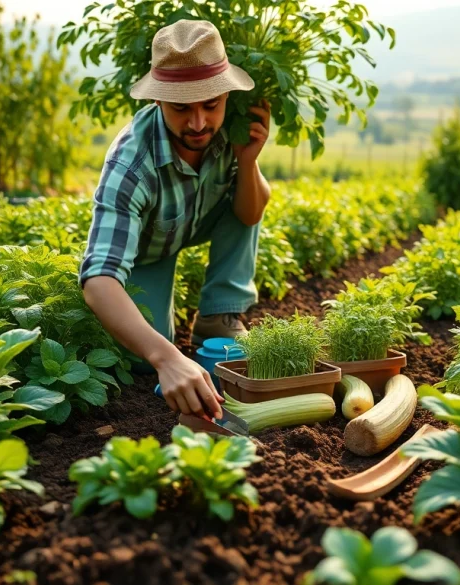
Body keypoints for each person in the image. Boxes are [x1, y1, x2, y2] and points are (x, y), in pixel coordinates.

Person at [79, 20, 272, 420]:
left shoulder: (230, 134)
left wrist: (247, 160)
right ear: (159, 101)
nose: (199, 123)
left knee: (245, 197)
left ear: (225, 96)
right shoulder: (130, 164)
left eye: (211, 105)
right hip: (148, 250)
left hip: (197, 222)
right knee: (142, 361)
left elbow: (250, 214)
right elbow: (98, 280)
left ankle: (220, 317)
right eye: (181, 109)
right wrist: (166, 357)